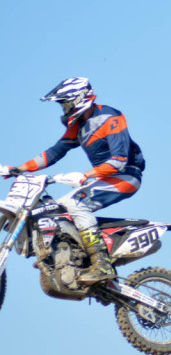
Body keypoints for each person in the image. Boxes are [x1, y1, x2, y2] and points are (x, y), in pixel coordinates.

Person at [1, 77, 146, 284]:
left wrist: (86, 175)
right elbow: (55, 152)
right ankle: (72, 259)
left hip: (126, 175)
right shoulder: (78, 126)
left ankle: (102, 264)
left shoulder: (110, 117)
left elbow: (120, 160)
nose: (64, 109)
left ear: (79, 99)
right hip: (102, 178)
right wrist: (18, 169)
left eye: (66, 103)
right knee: (56, 210)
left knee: (76, 204)